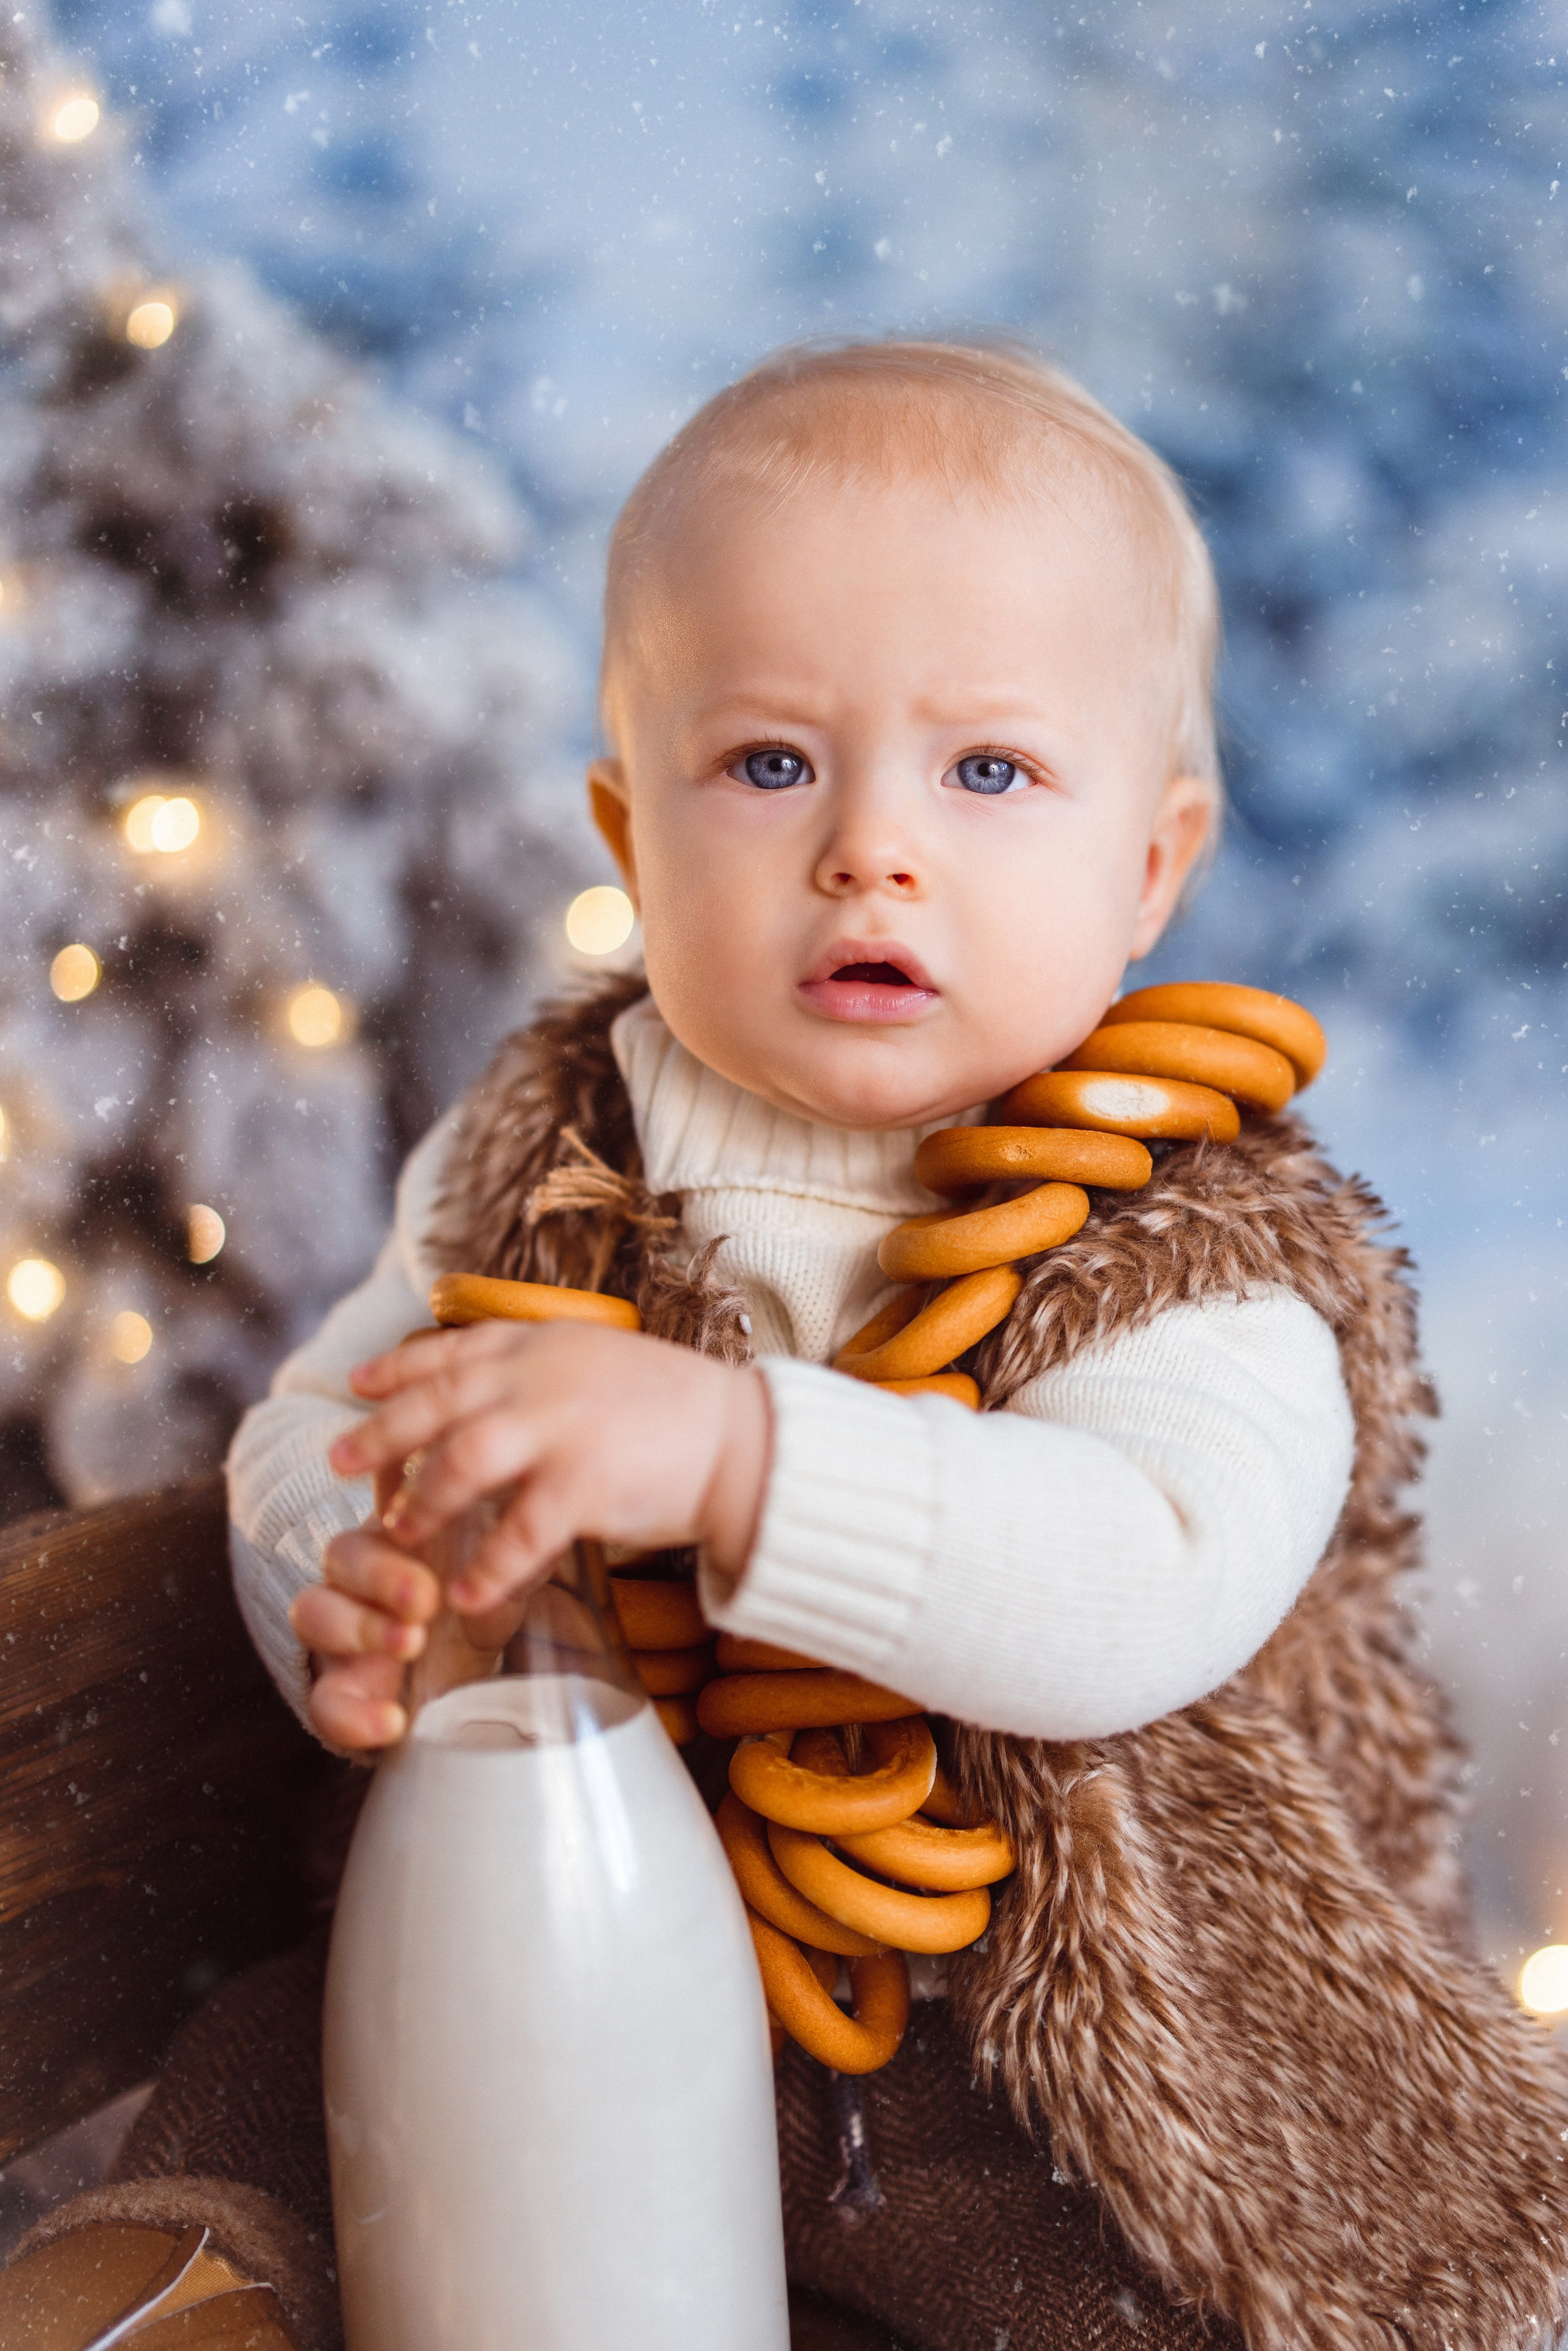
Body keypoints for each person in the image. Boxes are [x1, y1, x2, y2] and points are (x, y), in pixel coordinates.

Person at [7, 340, 1567, 2351]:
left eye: (986, 771)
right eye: (768, 764)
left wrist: (740, 1459)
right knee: (297, 2053)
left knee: (1105, 2279)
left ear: (1152, 863)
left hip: (1012, 2034)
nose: (869, 849)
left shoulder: (1200, 1237)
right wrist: (355, 1563)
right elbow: (333, 1412)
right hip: (548, 1946)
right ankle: (196, 2281)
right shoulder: (543, 1139)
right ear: (630, 832)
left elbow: (1140, 1574)